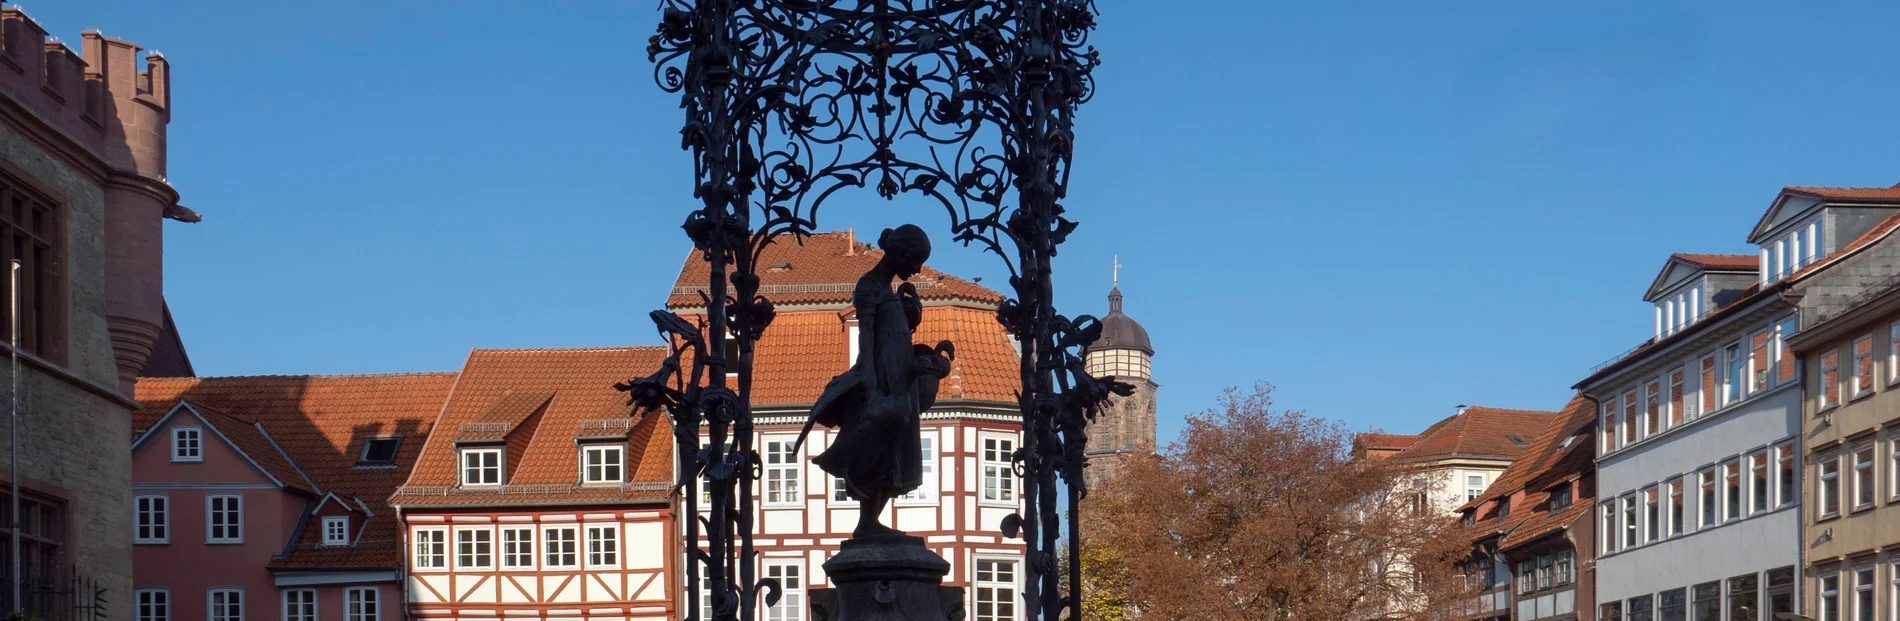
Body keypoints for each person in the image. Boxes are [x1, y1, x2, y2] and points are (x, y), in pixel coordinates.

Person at [795, 224, 954, 537]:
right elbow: (865, 345)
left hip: (900, 383)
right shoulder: (869, 287)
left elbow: (898, 344)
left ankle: (871, 523)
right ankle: (867, 524)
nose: (917, 269)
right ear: (901, 253)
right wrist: (871, 389)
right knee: (877, 455)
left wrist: (922, 365)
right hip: (880, 384)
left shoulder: (892, 294)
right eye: (915, 260)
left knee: (896, 457)